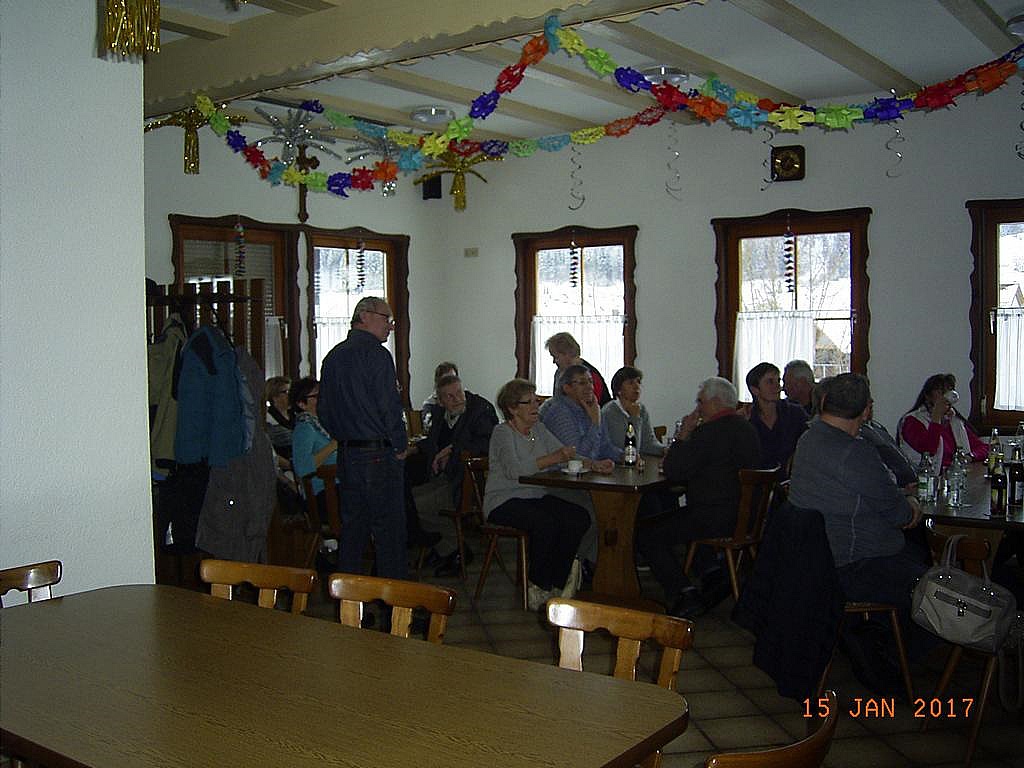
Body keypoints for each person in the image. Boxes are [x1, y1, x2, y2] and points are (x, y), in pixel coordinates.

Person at [789, 373, 934, 693]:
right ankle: (889, 657)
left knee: (915, 557)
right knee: (932, 587)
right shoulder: (855, 453)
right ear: (866, 410)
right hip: (854, 564)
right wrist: (911, 503)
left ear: (824, 402)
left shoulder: (808, 440)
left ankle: (870, 637)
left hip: (816, 560)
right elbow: (899, 514)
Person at [636, 377, 761, 619]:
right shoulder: (747, 428)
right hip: (746, 517)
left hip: (717, 517)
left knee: (647, 534)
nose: (698, 408)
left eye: (701, 402)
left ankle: (684, 592)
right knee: (680, 514)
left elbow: (674, 471)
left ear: (716, 403)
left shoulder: (709, 432)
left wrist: (683, 435)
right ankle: (712, 573)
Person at [484, 378, 600, 611]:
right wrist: (553, 458)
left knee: (578, 516)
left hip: (535, 496)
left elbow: (565, 454)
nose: (536, 406)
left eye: (536, 401)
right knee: (545, 523)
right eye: (528, 402)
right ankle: (538, 585)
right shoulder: (502, 433)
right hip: (503, 500)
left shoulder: (539, 429)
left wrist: (593, 464)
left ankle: (557, 583)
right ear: (512, 408)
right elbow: (515, 471)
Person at [318, 296, 408, 579]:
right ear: (365, 316)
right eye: (387, 319)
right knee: (389, 535)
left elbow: (324, 411)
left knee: (352, 533)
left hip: (348, 456)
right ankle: (394, 600)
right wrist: (400, 444)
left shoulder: (332, 357)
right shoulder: (377, 355)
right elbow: (388, 406)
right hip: (379, 455)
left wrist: (345, 436)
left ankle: (348, 597)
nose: (391, 326)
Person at [421, 373, 499, 506]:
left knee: (417, 506)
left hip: (463, 482)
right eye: (450, 396)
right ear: (440, 402)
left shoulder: (480, 410)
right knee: (404, 498)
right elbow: (432, 440)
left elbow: (487, 443)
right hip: (439, 476)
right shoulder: (439, 413)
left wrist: (452, 450)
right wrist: (414, 448)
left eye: (459, 393)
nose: (457, 399)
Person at [899, 373, 988, 469]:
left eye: (948, 390)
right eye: (940, 391)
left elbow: (984, 448)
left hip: (956, 473)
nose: (945, 395)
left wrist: (970, 457)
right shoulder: (912, 421)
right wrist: (936, 415)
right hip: (927, 475)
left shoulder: (954, 422)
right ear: (928, 396)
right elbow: (929, 450)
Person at [540, 364, 622, 462]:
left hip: (591, 469)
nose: (590, 387)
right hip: (563, 470)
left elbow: (604, 447)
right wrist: (595, 423)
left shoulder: (593, 408)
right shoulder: (559, 412)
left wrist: (623, 456)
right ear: (567, 388)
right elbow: (577, 456)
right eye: (582, 383)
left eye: (591, 381)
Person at [745, 361, 807, 473]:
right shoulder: (747, 419)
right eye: (770, 382)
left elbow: (808, 443)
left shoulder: (795, 413)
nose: (777, 386)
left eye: (778, 381)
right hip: (757, 479)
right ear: (755, 390)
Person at [289, 377, 337, 514]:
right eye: (316, 396)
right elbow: (302, 467)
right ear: (301, 404)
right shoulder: (305, 428)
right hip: (324, 494)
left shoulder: (323, 425)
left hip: (337, 489)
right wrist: (333, 445)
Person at [601, 366, 667, 456]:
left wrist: (664, 450)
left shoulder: (641, 409)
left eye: (638, 382)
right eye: (631, 383)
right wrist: (634, 418)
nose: (637, 386)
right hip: (617, 461)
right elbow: (629, 448)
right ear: (619, 389)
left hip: (636, 460)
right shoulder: (610, 411)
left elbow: (648, 443)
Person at [545, 331, 611, 406]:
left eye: (555, 357)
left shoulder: (590, 375)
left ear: (567, 353)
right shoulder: (559, 373)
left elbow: (591, 407)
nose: (554, 361)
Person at [263, 376, 293, 462]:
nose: (290, 395)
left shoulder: (296, 414)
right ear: (274, 396)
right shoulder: (269, 420)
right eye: (285, 392)